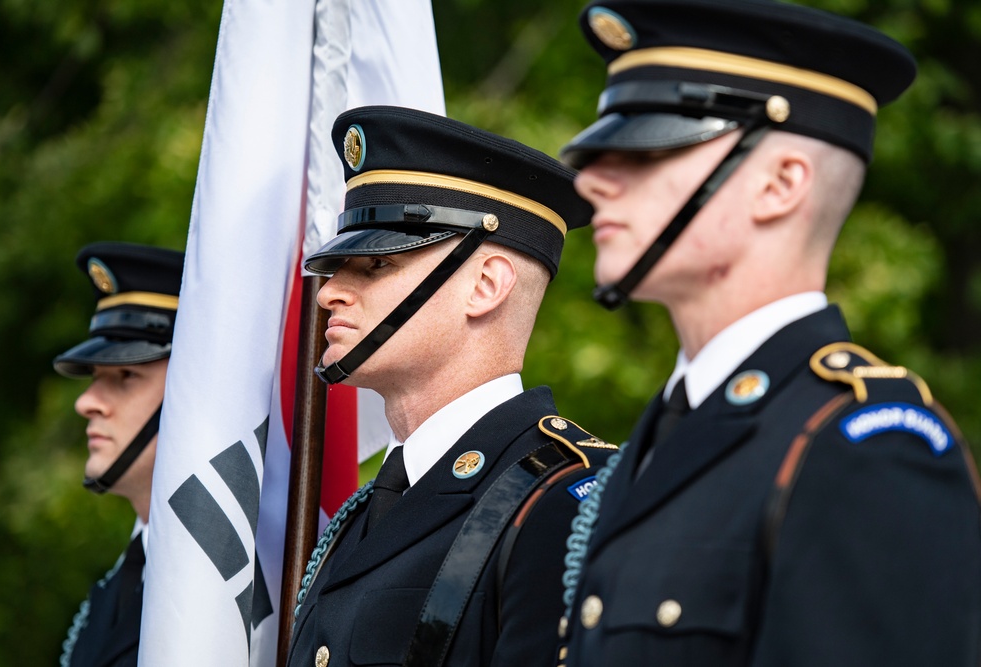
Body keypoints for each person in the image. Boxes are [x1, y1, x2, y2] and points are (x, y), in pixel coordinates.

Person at [556, 0, 981, 665]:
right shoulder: (657, 439)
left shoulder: (868, 450)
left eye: (649, 149)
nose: (592, 182)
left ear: (780, 184)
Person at [287, 106, 616, 667]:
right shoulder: (361, 518)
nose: (328, 294)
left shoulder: (564, 503)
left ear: (485, 286)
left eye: (376, 264)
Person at [54, 242, 184, 667]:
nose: (87, 402)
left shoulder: (240, 580)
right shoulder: (113, 589)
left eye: (126, 375)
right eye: (96, 377)